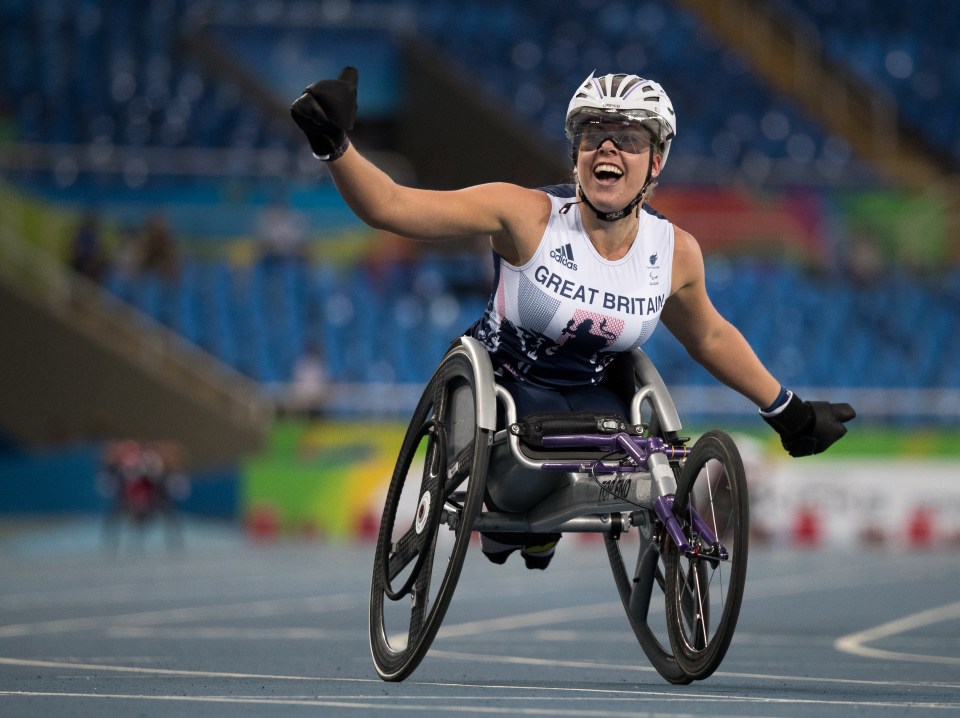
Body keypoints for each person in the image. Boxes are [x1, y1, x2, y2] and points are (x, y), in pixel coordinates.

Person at [291, 67, 855, 569]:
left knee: (648, 461)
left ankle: (549, 527)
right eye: (592, 135)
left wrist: (788, 409)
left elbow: (708, 333)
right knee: (534, 475)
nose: (607, 147)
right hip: (509, 384)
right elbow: (391, 206)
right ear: (577, 153)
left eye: (629, 138)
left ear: (655, 160)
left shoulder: (674, 250)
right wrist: (334, 145)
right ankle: (521, 521)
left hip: (598, 395)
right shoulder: (524, 214)